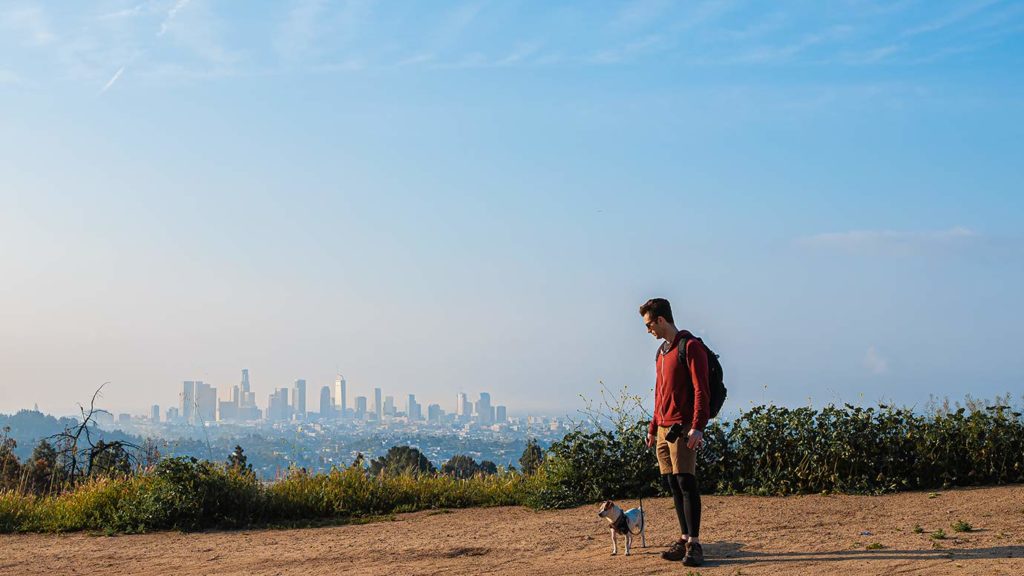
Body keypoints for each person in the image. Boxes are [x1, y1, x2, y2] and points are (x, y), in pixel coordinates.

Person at [640, 297, 710, 567]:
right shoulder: (661, 353)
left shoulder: (690, 347)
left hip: (682, 428)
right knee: (673, 485)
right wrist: (652, 426)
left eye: (649, 325)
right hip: (662, 428)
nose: (648, 331)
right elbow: (660, 393)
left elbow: (701, 390)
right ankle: (683, 538)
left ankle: (695, 543)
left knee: (686, 483)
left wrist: (698, 428)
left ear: (660, 319)